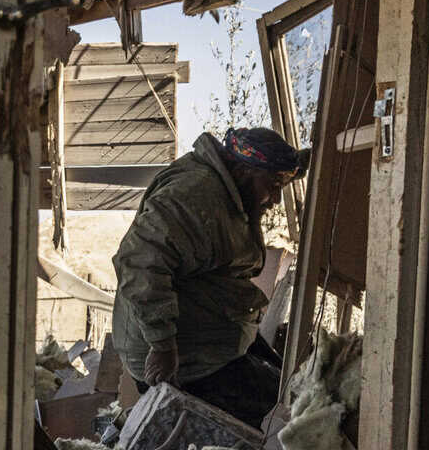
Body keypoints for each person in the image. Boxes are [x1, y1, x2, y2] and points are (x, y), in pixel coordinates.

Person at [112, 127, 306, 428]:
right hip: (178, 350)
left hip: (213, 326)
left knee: (293, 389)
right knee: (283, 416)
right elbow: (139, 262)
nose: (277, 199)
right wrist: (162, 344)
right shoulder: (194, 196)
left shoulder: (232, 187)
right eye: (273, 184)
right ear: (244, 170)